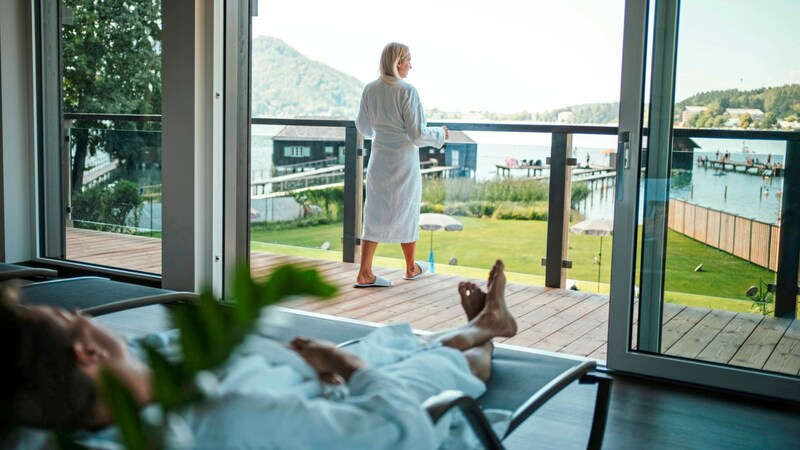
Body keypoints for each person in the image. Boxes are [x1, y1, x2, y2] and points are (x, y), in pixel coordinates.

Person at [1, 261, 517, 449]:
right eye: (72, 318)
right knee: (436, 368)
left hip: (302, 378)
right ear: (87, 351)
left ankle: (476, 325)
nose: (83, 315)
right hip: (344, 402)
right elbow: (399, 430)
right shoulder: (227, 420)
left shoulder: (82, 396)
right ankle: (486, 329)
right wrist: (345, 368)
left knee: (390, 344)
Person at [354, 42, 449, 288]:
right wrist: (440, 133)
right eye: (408, 61)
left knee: (374, 214)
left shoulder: (370, 90)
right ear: (398, 62)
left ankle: (365, 272)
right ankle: (410, 268)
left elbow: (364, 128)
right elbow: (417, 134)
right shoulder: (407, 91)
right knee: (406, 210)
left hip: (379, 160)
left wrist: (383, 130)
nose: (410, 66)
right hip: (403, 162)